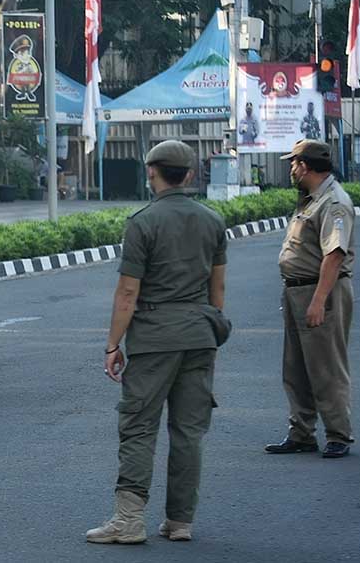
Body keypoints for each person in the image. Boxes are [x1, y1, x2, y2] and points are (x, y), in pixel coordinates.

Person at [86, 140, 228, 545]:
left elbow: (128, 292)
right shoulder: (212, 220)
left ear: (152, 173)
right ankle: (180, 520)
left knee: (138, 427)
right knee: (188, 430)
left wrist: (113, 345)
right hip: (200, 335)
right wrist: (210, 326)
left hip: (153, 340)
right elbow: (218, 289)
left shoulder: (143, 222)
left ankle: (129, 520)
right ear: (188, 175)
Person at [265, 139, 356, 459]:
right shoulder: (310, 199)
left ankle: (338, 434)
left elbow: (334, 256)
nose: (291, 169)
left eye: (293, 163)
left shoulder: (333, 203)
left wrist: (318, 301)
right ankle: (301, 432)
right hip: (296, 291)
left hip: (321, 291)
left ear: (304, 167)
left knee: (326, 366)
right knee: (297, 367)